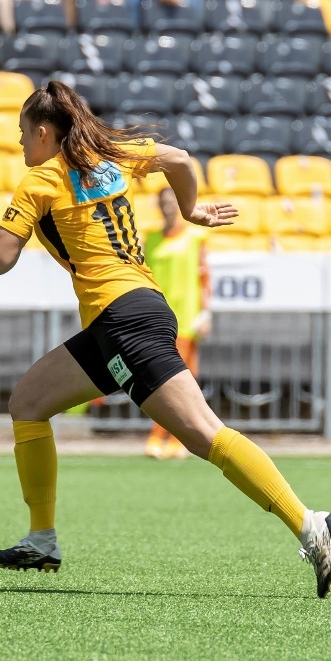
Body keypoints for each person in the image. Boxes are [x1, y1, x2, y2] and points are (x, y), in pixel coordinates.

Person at [0, 82, 331, 598]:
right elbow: (179, 158)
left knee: (203, 434)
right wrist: (191, 209)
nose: (21, 145)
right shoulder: (116, 155)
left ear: (43, 133)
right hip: (121, 319)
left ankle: (311, 525)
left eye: (22, 135)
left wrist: (15, 220)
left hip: (123, 319)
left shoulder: (40, 180)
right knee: (29, 403)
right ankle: (42, 539)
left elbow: (0, 261)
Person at [142, 185, 210, 459]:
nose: (168, 206)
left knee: (177, 384)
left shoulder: (196, 237)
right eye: (163, 201)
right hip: (157, 320)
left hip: (185, 320)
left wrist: (205, 313)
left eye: (172, 200)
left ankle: (169, 438)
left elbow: (205, 278)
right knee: (160, 383)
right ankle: (171, 438)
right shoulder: (151, 239)